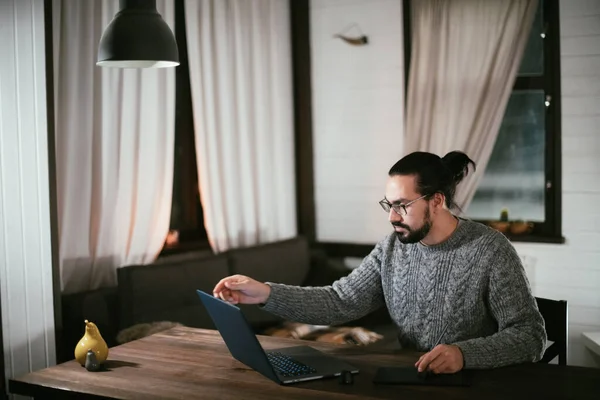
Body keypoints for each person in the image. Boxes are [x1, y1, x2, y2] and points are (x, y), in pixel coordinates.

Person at [213, 151, 546, 374]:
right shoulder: (392, 249)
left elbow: (530, 336)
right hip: (412, 380)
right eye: (388, 204)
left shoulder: (490, 249)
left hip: (478, 386)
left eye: (402, 205)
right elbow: (339, 301)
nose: (392, 216)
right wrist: (266, 294)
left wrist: (463, 355)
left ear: (437, 201)